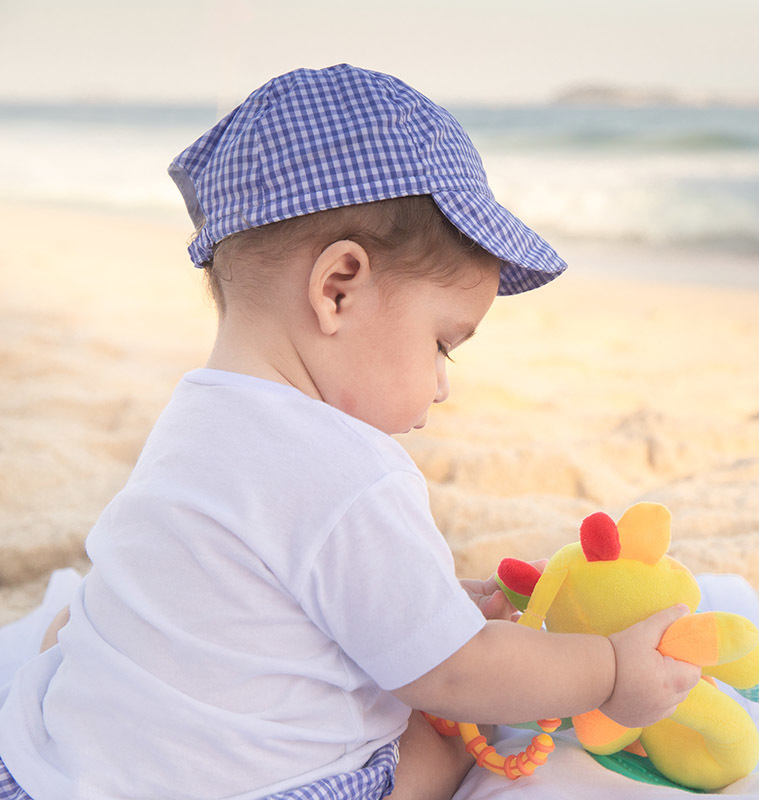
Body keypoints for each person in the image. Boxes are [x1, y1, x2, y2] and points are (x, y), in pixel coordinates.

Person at [0, 64, 700, 800]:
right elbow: (458, 672)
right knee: (439, 733)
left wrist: (427, 597)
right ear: (338, 288)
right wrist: (613, 670)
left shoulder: (196, 413)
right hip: (240, 786)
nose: (442, 383)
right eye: (442, 343)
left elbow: (268, 585)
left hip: (57, 768)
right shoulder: (352, 470)